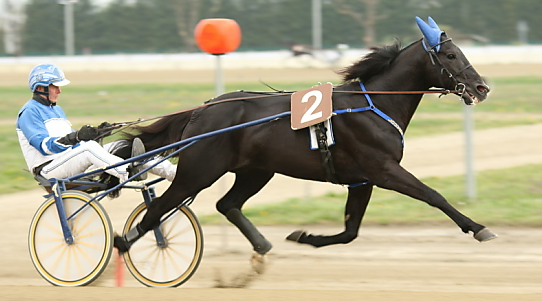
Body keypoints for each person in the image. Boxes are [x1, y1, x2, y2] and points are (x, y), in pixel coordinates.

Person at [16, 63, 176, 186]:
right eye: (55, 86)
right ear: (41, 87)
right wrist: (77, 137)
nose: (59, 91)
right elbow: (45, 146)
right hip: (48, 169)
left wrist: (98, 132)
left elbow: (71, 143)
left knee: (124, 145)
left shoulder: (57, 110)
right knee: (89, 148)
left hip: (69, 162)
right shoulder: (29, 112)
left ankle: (175, 173)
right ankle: (126, 172)